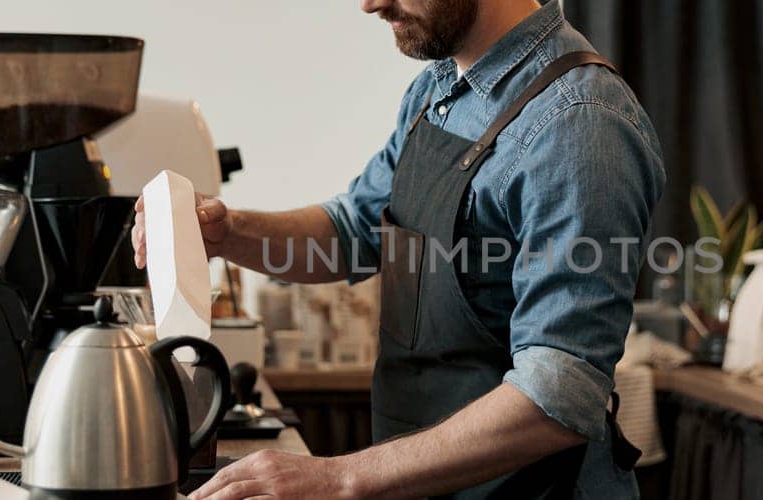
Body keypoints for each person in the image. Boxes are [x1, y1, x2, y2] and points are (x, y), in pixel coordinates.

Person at [133, 0, 664, 497]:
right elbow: (352, 233)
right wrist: (227, 235)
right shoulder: (436, 91)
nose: (369, 3)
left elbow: (560, 393)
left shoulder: (580, 121)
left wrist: (339, 479)